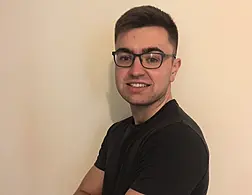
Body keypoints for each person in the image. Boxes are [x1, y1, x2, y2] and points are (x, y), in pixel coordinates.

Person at [74, 5, 209, 195]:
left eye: (152, 59)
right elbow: (86, 192)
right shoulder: (117, 132)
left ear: (174, 68)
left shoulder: (179, 141)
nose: (136, 71)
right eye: (125, 57)